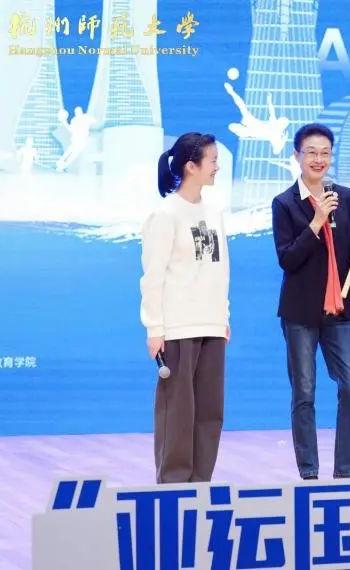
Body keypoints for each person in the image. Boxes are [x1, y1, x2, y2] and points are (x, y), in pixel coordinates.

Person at [271, 123, 350, 480]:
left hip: (339, 308)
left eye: (325, 152)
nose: (318, 159)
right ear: (297, 156)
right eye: (311, 152)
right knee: (305, 392)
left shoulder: (345, 197)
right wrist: (316, 221)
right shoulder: (285, 203)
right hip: (300, 312)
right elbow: (288, 259)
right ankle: (309, 473)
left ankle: (346, 472)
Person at [140, 132, 230, 483]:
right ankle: (173, 488)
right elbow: (153, 276)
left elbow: (221, 269)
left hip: (212, 325)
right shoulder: (165, 214)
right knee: (177, 414)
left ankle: (200, 487)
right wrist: (155, 328)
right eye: (212, 161)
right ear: (191, 166)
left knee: (210, 412)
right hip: (177, 328)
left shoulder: (214, 211)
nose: (217, 167)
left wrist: (223, 316)